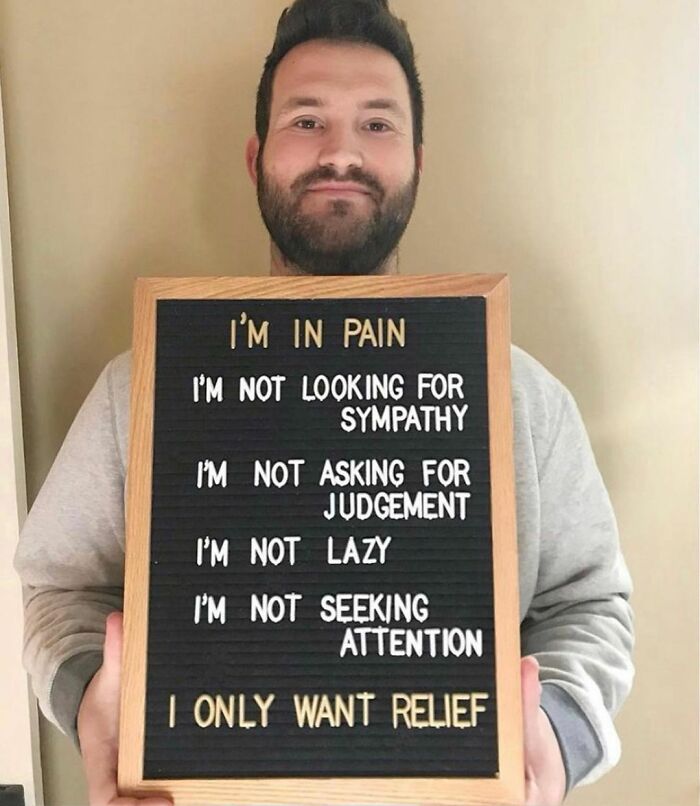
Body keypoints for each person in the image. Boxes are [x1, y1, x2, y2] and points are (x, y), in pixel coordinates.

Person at [14, 1, 634, 804]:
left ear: (418, 159)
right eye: (306, 120)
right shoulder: (143, 387)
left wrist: (549, 740)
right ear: (255, 157)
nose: (340, 152)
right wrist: (98, 707)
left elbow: (588, 603)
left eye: (377, 125)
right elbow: (57, 586)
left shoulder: (520, 396)